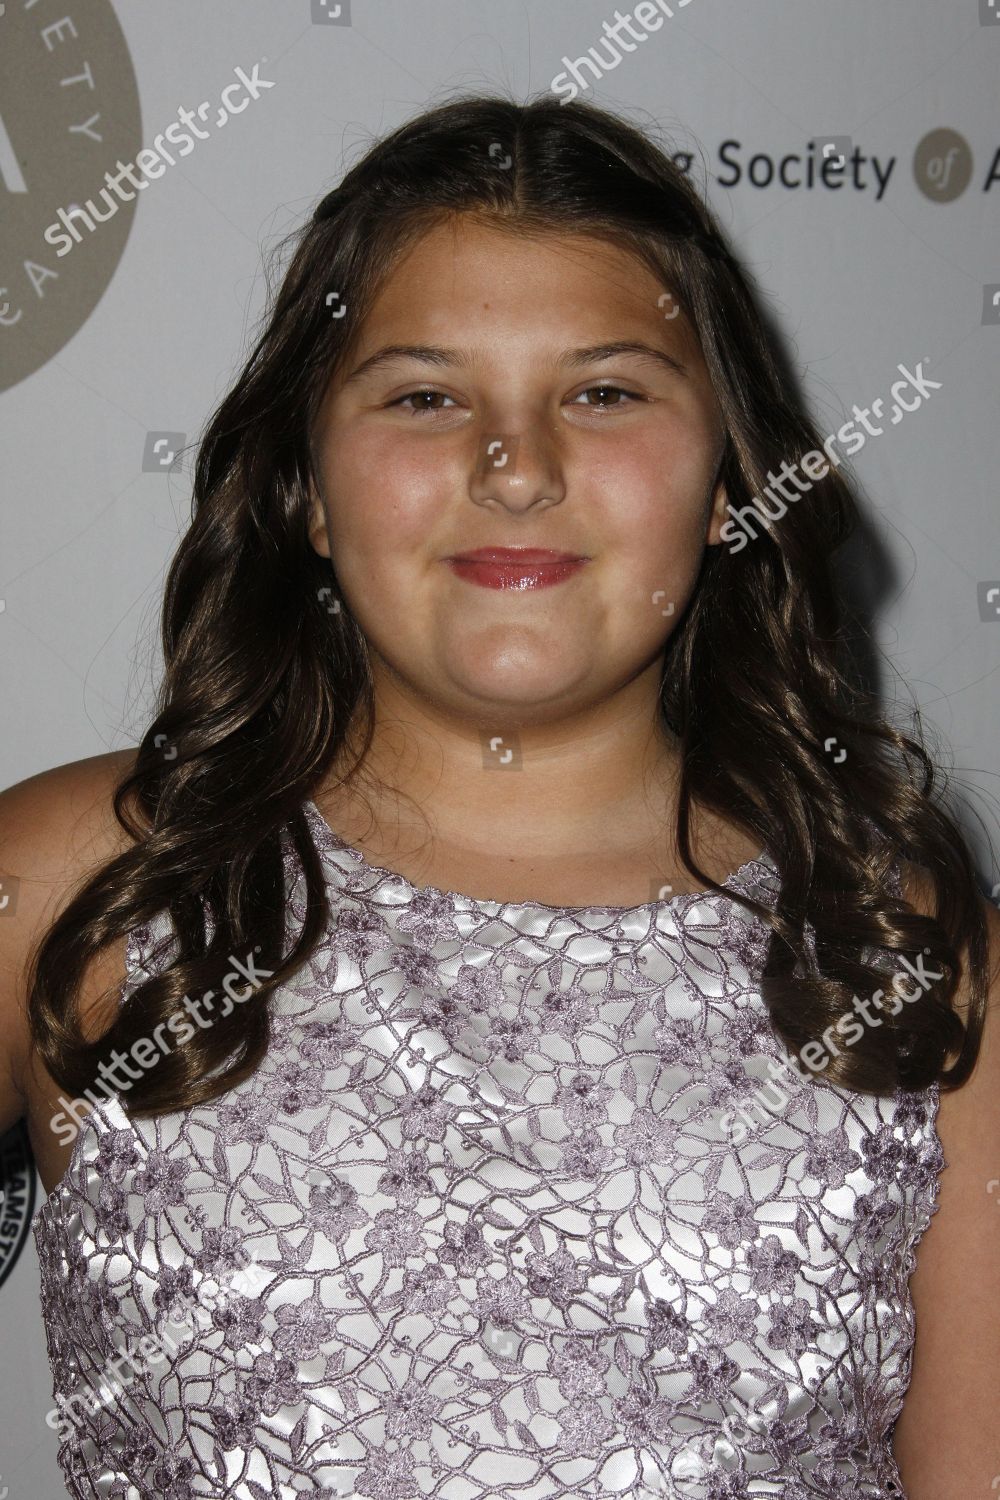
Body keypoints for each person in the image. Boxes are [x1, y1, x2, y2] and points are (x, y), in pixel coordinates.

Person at [1, 89, 997, 1499]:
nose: (516, 466)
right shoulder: (77, 880)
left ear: (730, 480)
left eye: (605, 392)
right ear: (307, 485)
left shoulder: (911, 954)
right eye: (425, 396)